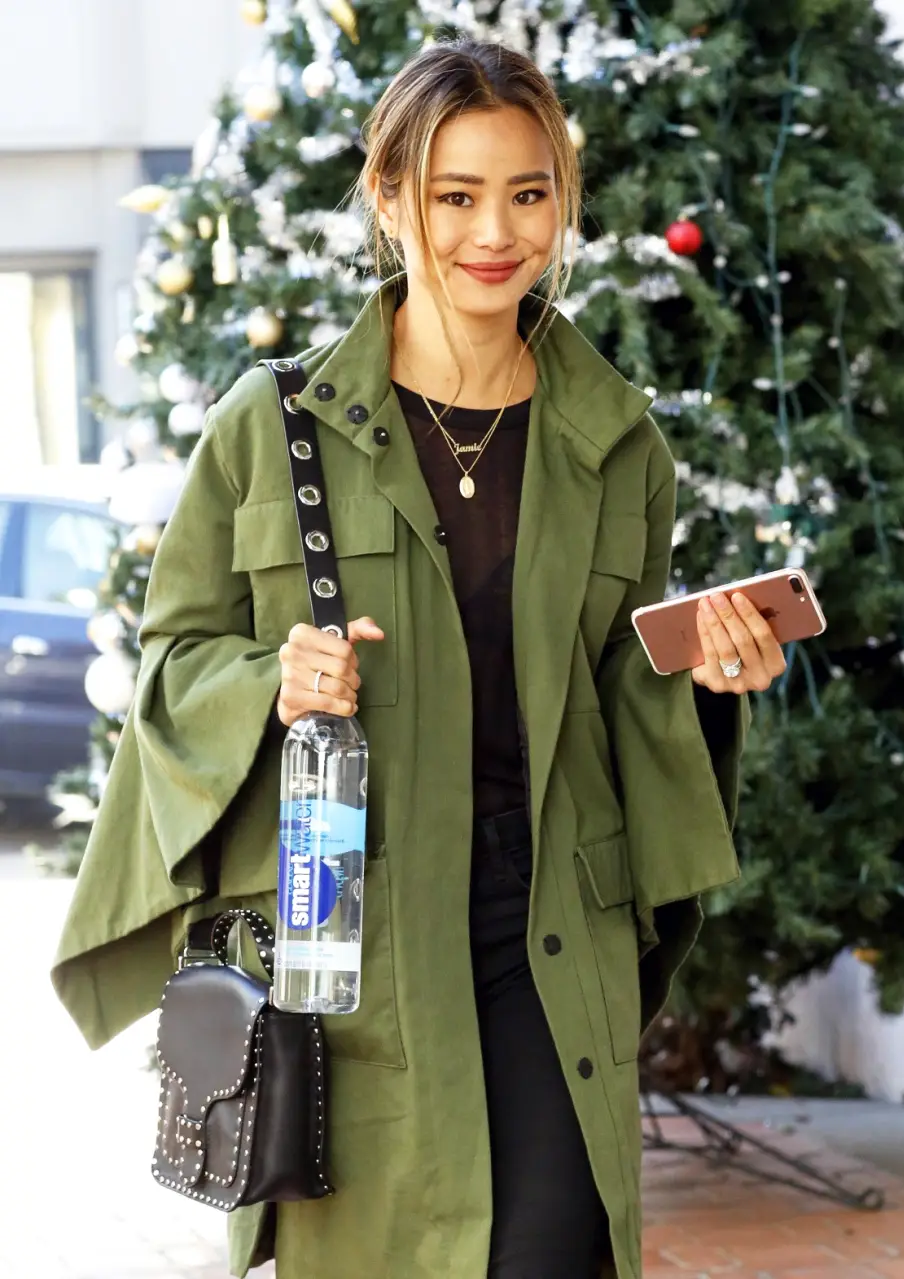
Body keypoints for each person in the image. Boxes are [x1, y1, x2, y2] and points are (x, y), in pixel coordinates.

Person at [52, 37, 786, 1279]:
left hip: (554, 928)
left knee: (554, 1249)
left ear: (562, 200)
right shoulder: (271, 426)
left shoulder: (617, 442)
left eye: (529, 192)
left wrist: (706, 679)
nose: (495, 233)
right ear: (390, 199)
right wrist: (272, 683)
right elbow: (172, 666)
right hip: (350, 936)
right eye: (456, 196)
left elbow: (612, 694)